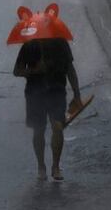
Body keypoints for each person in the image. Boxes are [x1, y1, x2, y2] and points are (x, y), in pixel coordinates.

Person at [13, 36, 82, 181]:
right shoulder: (29, 45)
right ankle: (41, 166)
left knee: (58, 127)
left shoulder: (61, 44)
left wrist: (77, 94)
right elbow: (17, 70)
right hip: (35, 93)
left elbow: (70, 69)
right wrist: (34, 70)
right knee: (39, 130)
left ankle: (55, 166)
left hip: (56, 91)